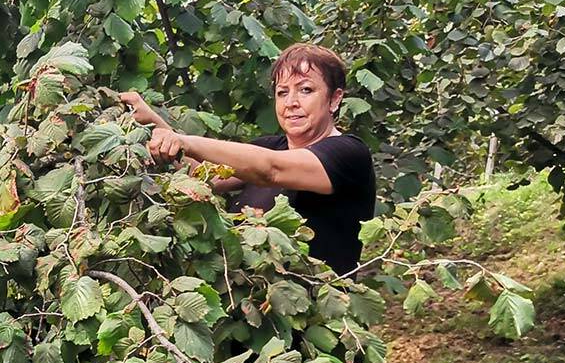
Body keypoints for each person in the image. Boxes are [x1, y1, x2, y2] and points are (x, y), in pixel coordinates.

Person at [120, 43, 375, 275]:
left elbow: (271, 169)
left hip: (317, 313)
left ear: (335, 98)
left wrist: (185, 141)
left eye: (306, 90)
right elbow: (203, 175)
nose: (291, 103)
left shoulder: (348, 154)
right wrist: (153, 122)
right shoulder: (271, 146)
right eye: (282, 92)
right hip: (256, 308)